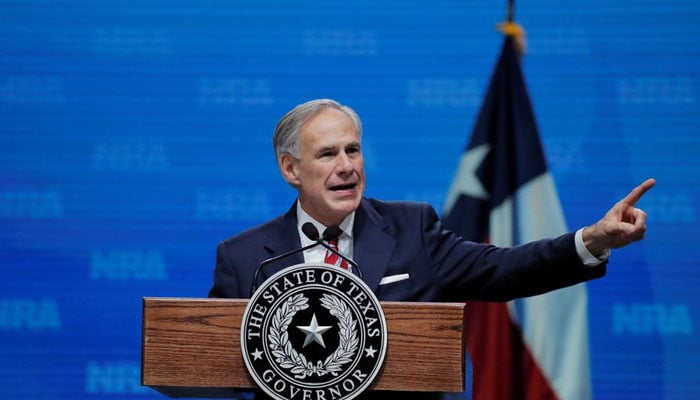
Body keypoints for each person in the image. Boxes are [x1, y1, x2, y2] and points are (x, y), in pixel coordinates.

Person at [208, 98, 655, 398]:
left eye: (354, 150)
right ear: (291, 168)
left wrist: (591, 240)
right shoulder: (246, 257)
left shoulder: (411, 228)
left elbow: (503, 269)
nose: (347, 167)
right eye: (328, 155)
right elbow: (201, 361)